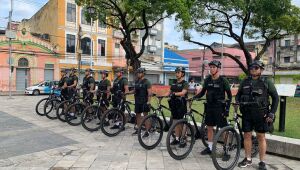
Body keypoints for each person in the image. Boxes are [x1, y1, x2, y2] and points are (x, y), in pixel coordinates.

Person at [236, 60, 279, 170]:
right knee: (247, 135)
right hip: (247, 113)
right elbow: (238, 95)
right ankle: (248, 159)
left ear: (261, 69)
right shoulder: (244, 81)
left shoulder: (266, 82)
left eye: (256, 68)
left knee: (261, 136)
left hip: (261, 114)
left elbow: (275, 98)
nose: (253, 70)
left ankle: (262, 162)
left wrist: (272, 113)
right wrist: (237, 102)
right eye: (251, 68)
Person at [194, 60, 232, 155]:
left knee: (223, 128)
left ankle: (226, 148)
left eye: (213, 67)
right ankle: (210, 148)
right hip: (210, 106)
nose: (211, 69)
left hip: (220, 107)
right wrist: (194, 97)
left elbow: (230, 96)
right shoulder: (207, 80)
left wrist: (227, 109)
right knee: (209, 127)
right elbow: (202, 92)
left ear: (218, 69)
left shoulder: (223, 80)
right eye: (210, 67)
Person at [168, 67, 189, 147]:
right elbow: (169, 92)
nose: (176, 74)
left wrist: (174, 94)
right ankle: (177, 138)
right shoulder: (173, 83)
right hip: (174, 104)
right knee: (175, 121)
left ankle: (183, 139)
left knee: (181, 122)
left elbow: (183, 92)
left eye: (178, 72)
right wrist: (161, 95)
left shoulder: (185, 83)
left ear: (182, 73)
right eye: (176, 72)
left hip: (182, 104)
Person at [131, 68, 152, 136]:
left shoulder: (147, 82)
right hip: (137, 101)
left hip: (144, 101)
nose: (138, 74)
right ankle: (138, 130)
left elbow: (149, 93)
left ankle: (147, 131)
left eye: (140, 73)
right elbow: (134, 90)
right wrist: (127, 92)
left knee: (146, 116)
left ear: (143, 73)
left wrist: (148, 102)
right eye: (138, 73)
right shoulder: (136, 81)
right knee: (138, 115)